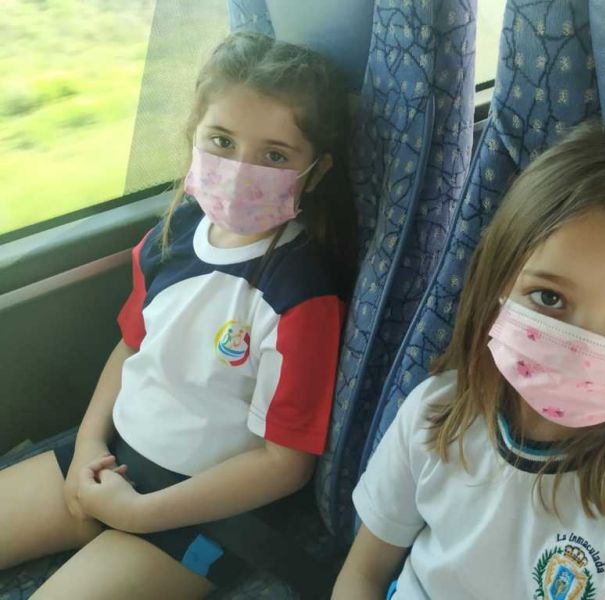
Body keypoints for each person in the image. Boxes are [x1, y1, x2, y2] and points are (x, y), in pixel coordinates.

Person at [0, 31, 356, 599]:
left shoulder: (301, 296)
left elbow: (284, 462)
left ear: (313, 172)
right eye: (222, 141)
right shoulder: (173, 236)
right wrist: (88, 445)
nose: (240, 171)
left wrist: (142, 513)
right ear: (194, 136)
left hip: (199, 510)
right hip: (114, 454)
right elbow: (131, 347)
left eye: (274, 156)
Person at [333, 121, 605, 599]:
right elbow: (365, 572)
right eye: (550, 297)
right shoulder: (435, 413)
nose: (583, 350)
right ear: (502, 281)